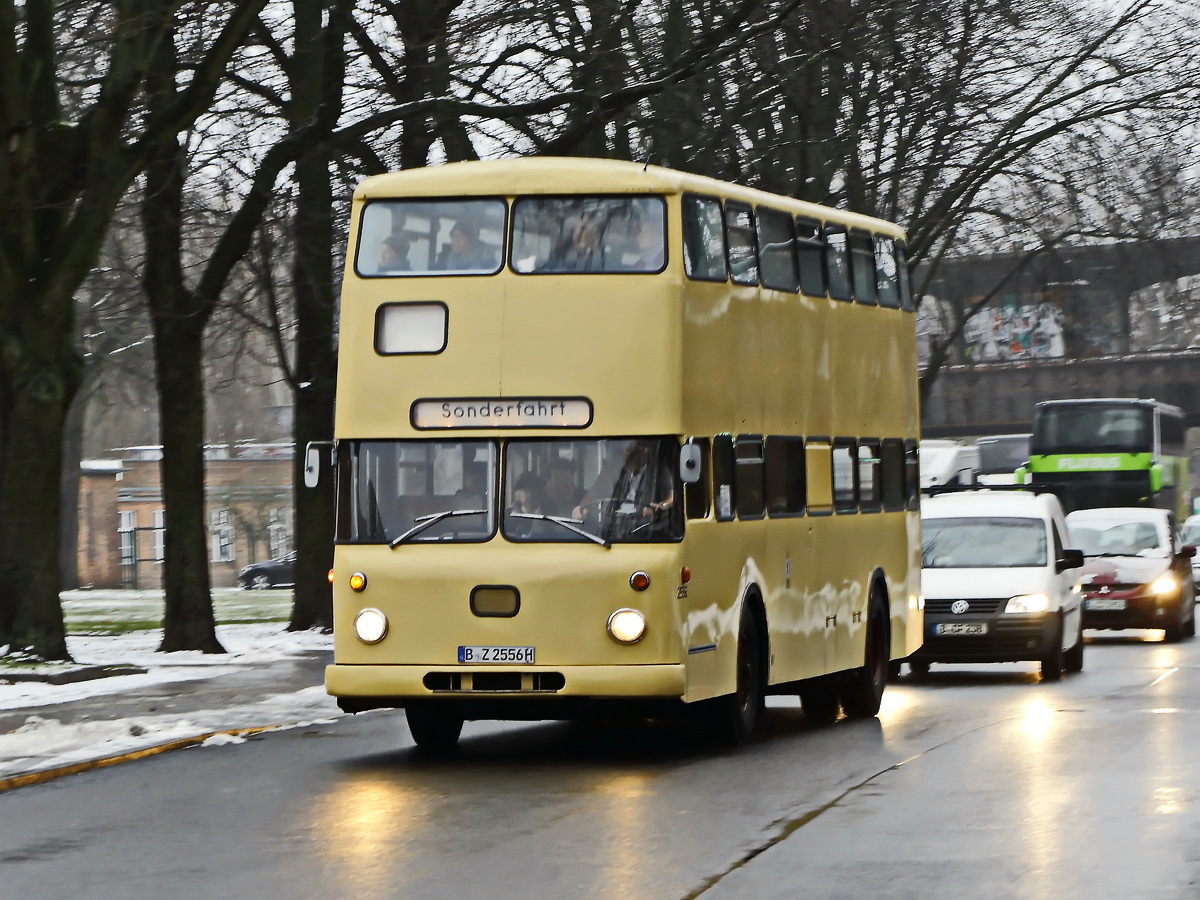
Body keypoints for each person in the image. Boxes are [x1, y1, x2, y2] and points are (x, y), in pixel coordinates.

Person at [573, 442, 674, 522]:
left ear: (646, 450)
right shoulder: (611, 470)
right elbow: (593, 494)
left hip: (647, 527)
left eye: (637, 449)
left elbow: (671, 496)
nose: (631, 453)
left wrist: (661, 506)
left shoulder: (660, 471)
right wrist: (580, 508)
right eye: (628, 449)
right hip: (613, 525)